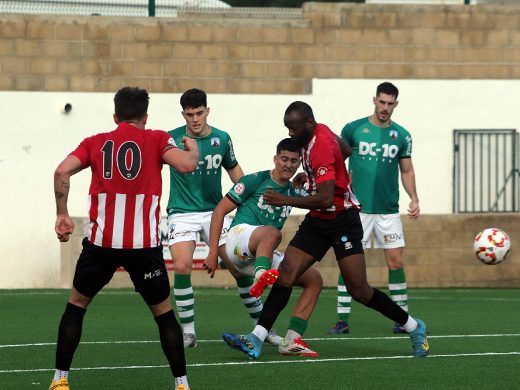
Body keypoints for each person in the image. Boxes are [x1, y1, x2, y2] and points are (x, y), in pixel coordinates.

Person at [221, 101, 429, 360]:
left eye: (294, 129)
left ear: (308, 124)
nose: (290, 134)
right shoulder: (321, 132)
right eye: (287, 129)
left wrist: (285, 198)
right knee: (286, 272)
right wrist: (311, 176)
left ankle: (413, 326)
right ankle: (257, 338)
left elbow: (326, 198)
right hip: (318, 220)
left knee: (359, 290)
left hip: (342, 219)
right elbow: (346, 149)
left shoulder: (319, 146)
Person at [49, 87, 197, 390]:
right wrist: (192, 148)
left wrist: (62, 212)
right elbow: (186, 164)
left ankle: (59, 381)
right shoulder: (157, 138)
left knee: (76, 306)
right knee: (163, 313)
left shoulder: (95, 142)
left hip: (101, 245)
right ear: (146, 116)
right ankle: (182, 384)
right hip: (144, 247)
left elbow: (61, 171)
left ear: (115, 116)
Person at [166, 88, 274, 348]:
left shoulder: (222, 139)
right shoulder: (170, 139)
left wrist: (251, 199)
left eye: (199, 113)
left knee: (238, 268)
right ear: (183, 114)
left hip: (215, 213)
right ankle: (189, 332)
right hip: (181, 214)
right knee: (181, 267)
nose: (195, 119)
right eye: (189, 114)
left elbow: (235, 170)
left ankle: (262, 330)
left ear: (207, 110)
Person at [204, 138, 323, 356]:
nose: (288, 164)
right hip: (239, 239)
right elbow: (219, 211)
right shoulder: (255, 180)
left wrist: (310, 179)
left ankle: (291, 340)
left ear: (299, 164)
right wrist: (213, 251)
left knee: (314, 279)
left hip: (261, 254)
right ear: (275, 159)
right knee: (272, 232)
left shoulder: (294, 191)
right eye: (284, 159)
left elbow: (320, 199)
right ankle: (261, 276)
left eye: (294, 161)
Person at [329, 82, 420, 335]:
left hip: (388, 210)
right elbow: (337, 161)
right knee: (349, 262)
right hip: (356, 210)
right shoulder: (354, 129)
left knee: (395, 261)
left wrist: (414, 198)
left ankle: (402, 320)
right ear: (374, 100)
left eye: (390, 104)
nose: (385, 108)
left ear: (396, 105)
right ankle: (342, 319)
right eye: (382, 102)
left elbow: (407, 170)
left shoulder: (402, 136)